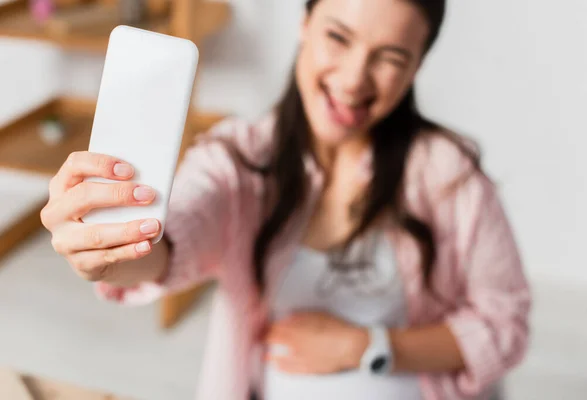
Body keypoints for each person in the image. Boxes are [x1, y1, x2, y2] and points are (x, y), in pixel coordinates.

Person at [40, 0, 531, 399]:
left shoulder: (452, 176)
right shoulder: (236, 159)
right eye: (338, 37)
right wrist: (107, 254)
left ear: (417, 66)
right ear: (304, 25)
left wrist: (366, 347)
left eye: (391, 57)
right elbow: (175, 239)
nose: (355, 79)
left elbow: (505, 324)